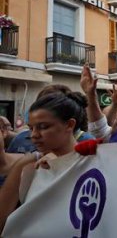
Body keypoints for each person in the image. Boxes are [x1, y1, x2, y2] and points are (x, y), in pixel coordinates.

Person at [0, 92, 88, 231]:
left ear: (70, 125)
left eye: (43, 127)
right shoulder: (28, 164)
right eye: (31, 128)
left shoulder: (92, 160)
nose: (34, 135)